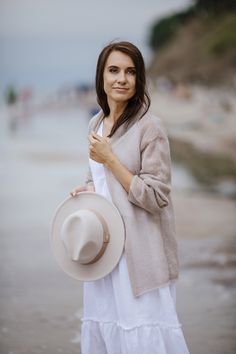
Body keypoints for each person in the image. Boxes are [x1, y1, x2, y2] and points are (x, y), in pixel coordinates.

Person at [70, 41, 190, 354]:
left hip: (139, 258)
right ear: (101, 77)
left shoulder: (150, 127)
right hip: (104, 254)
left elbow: (156, 195)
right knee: (108, 334)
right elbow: (100, 180)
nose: (122, 78)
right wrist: (89, 190)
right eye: (114, 70)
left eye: (130, 71)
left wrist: (110, 159)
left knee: (142, 339)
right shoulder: (95, 124)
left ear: (139, 80)